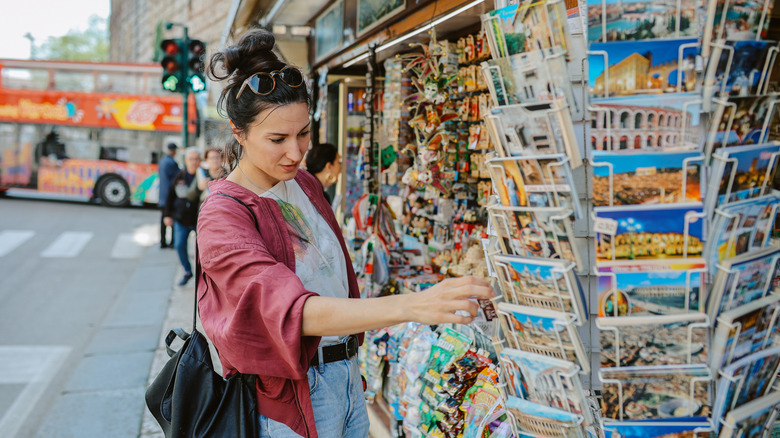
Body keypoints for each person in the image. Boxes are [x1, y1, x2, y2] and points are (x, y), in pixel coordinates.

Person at [198, 28, 493, 438]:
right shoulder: (223, 215)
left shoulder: (304, 184)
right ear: (238, 132)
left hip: (348, 375)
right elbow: (291, 311)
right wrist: (413, 305)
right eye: (277, 139)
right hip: (292, 396)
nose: (296, 152)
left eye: (303, 134)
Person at [163, 147, 201, 286]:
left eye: (196, 159)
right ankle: (187, 271)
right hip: (181, 219)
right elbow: (170, 196)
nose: (194, 162)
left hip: (199, 221)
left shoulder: (203, 177)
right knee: (179, 245)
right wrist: (167, 215)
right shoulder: (179, 176)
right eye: (191, 159)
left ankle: (202, 275)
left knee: (203, 250)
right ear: (186, 161)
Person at [158, 143, 180, 248]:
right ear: (174, 150)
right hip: (170, 196)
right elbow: (177, 177)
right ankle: (172, 242)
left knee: (163, 219)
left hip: (162, 195)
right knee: (172, 219)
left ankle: (162, 241)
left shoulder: (162, 161)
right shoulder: (171, 163)